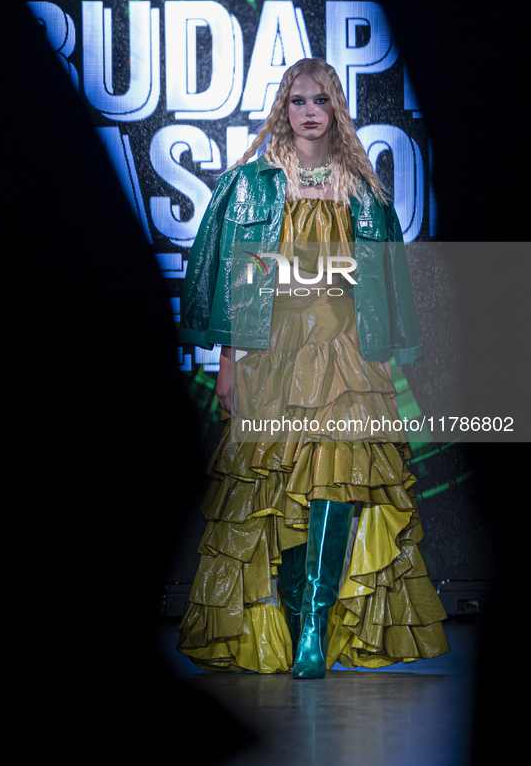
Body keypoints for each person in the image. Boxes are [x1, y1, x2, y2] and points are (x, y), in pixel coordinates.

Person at [178, 57, 449, 678]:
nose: (308, 111)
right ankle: (300, 618)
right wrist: (228, 364)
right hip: (275, 353)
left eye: (320, 100)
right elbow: (238, 280)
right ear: (283, 108)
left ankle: (316, 628)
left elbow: (381, 285)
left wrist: (382, 363)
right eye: (297, 100)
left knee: (339, 480)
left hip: (346, 354)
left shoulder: (362, 189)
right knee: (277, 488)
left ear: (335, 111)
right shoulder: (255, 183)